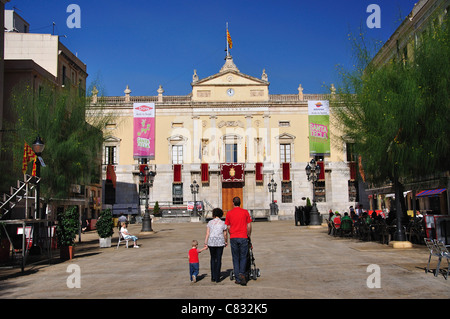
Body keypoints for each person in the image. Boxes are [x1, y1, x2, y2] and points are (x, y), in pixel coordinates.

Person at [225, 197, 252, 286]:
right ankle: (242, 274)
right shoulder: (245, 212)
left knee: (235, 257)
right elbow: (249, 225)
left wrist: (231, 233)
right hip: (243, 237)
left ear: (233, 203)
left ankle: (237, 278)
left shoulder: (229, 213)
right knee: (243, 256)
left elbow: (228, 227)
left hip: (233, 237)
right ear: (240, 203)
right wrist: (248, 235)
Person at [204, 208, 228, 283]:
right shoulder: (223, 223)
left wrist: (205, 242)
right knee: (218, 259)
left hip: (211, 242)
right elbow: (225, 234)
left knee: (213, 259)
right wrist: (226, 241)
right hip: (220, 242)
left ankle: (213, 276)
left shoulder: (210, 222)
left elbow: (207, 233)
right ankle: (218, 277)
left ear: (214, 214)